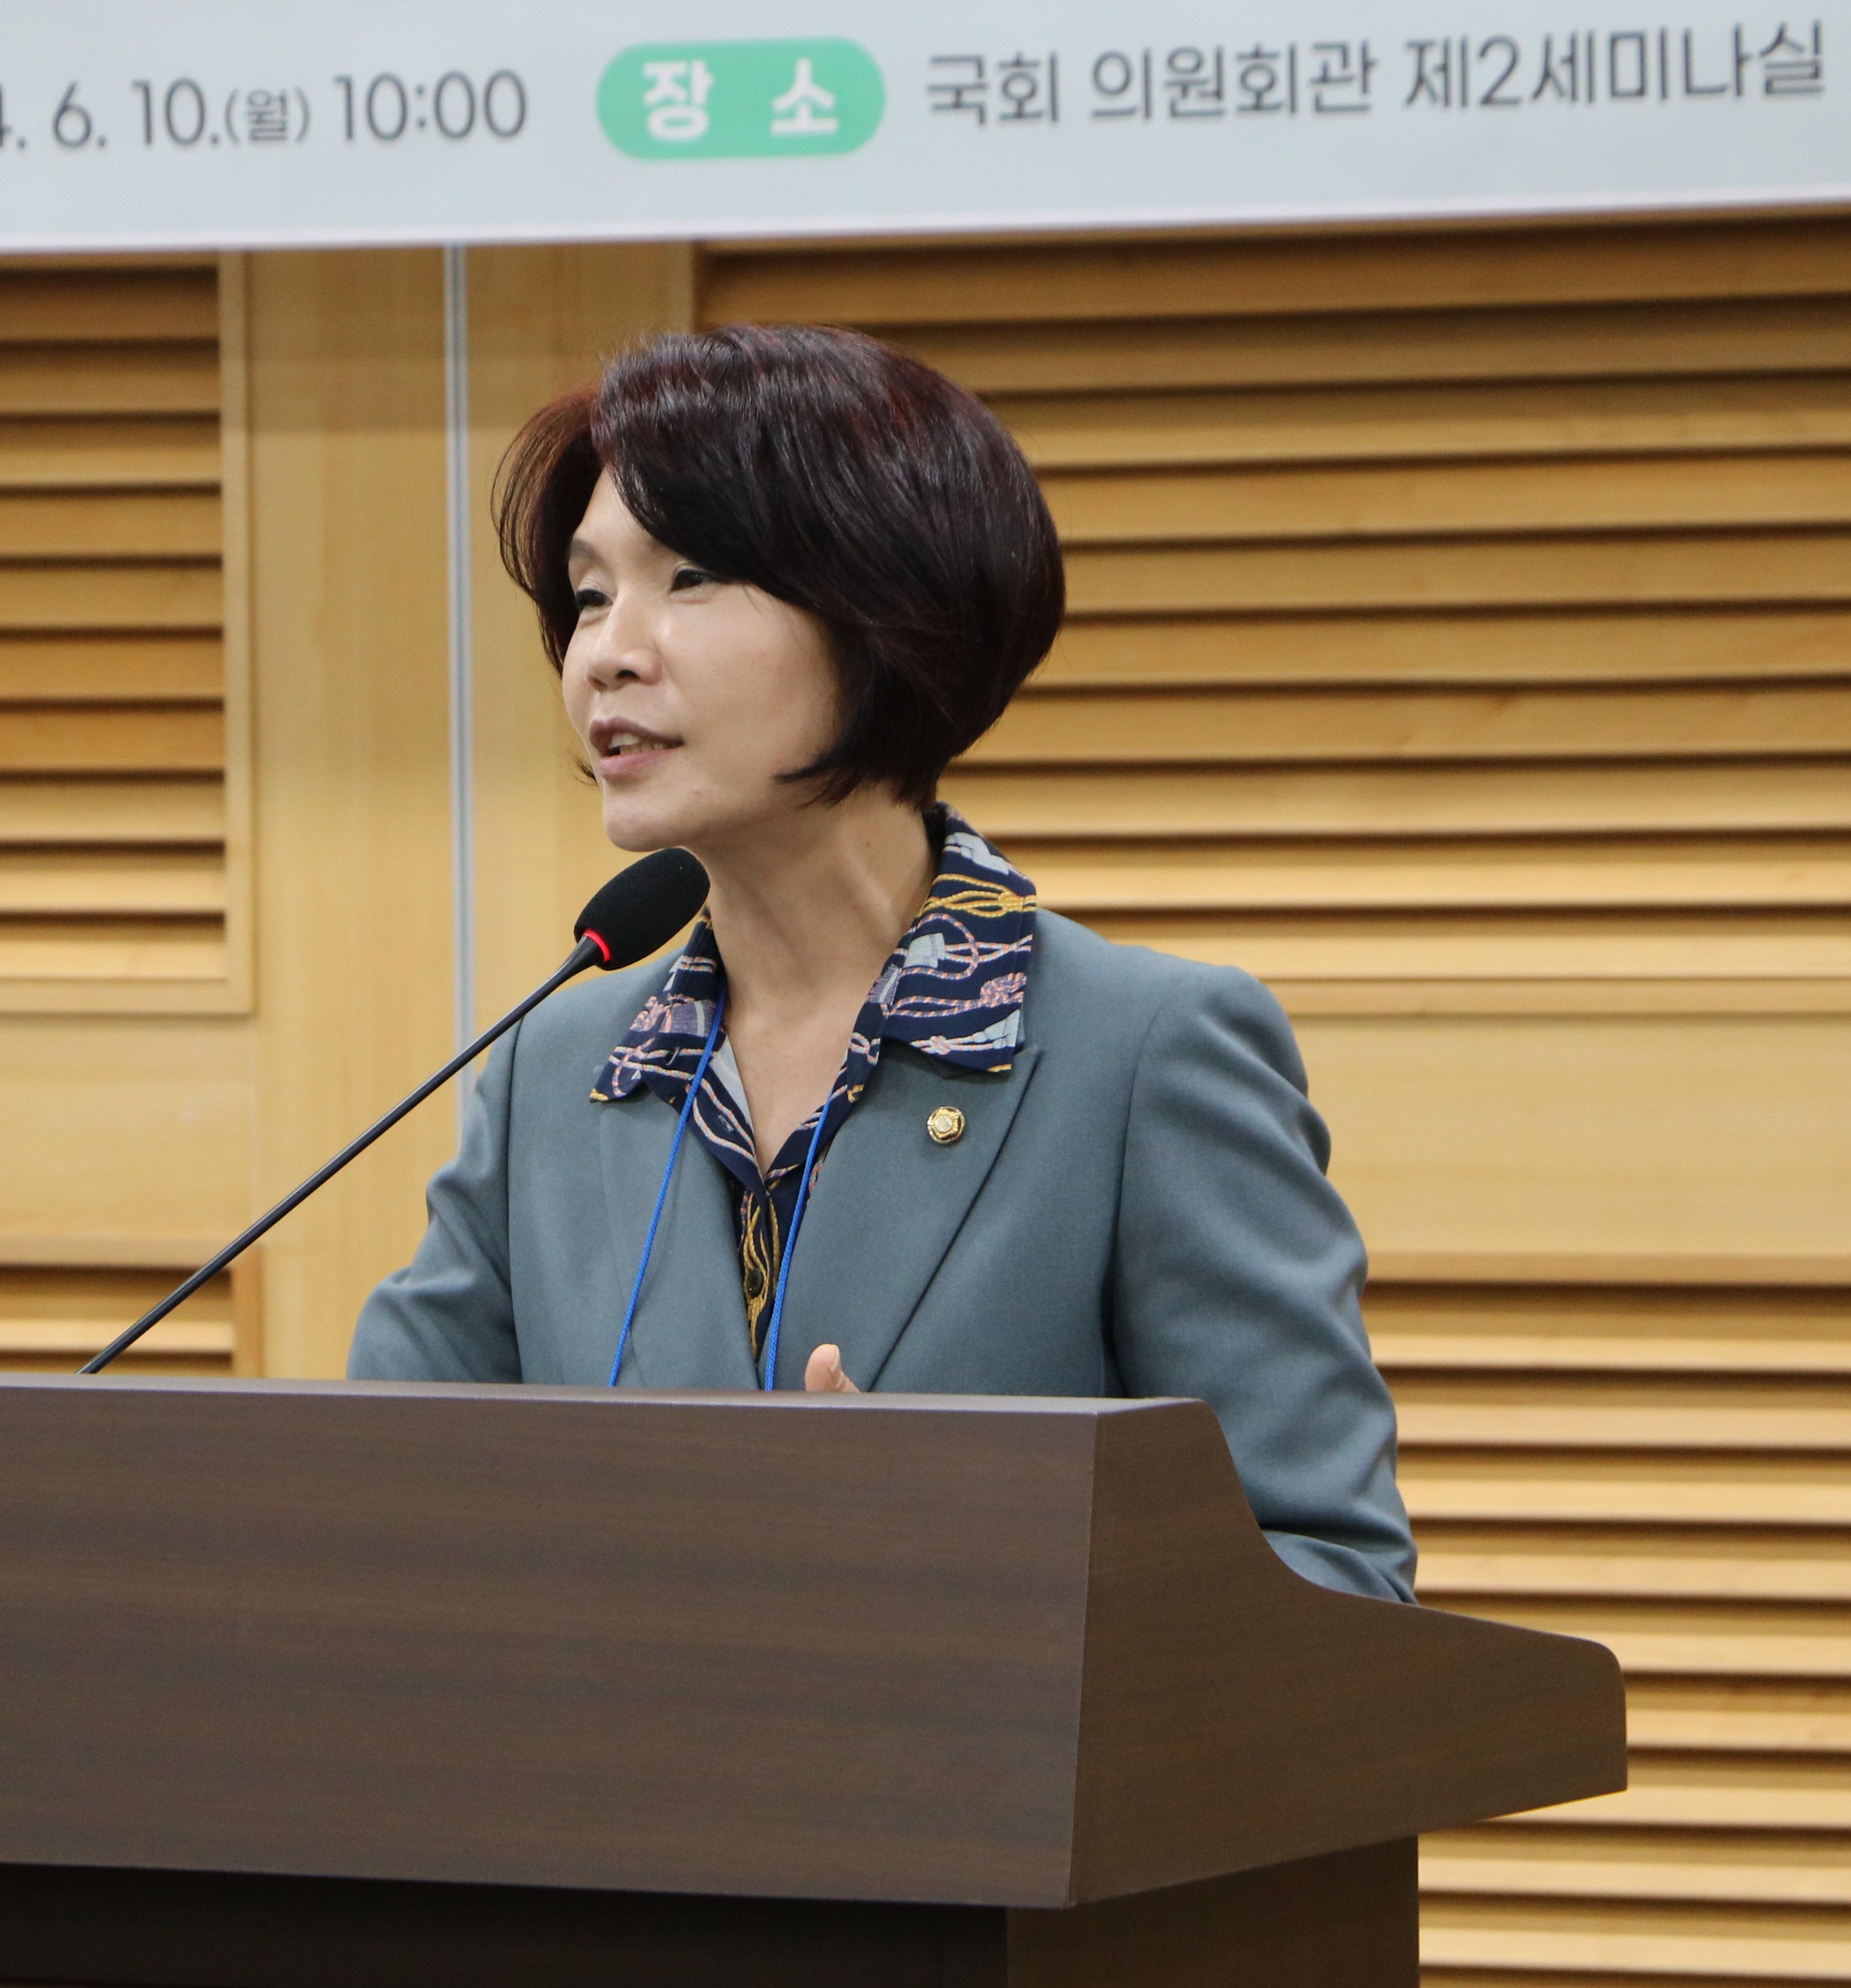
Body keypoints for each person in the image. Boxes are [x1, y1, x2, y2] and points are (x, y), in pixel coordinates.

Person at [346, 324, 1413, 1602]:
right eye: (587, 596)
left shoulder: (1143, 1057)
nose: (608, 653)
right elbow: (367, 1516)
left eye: (689, 577)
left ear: (882, 611)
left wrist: (953, 1563)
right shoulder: (554, 1071)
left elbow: (1333, 1582)